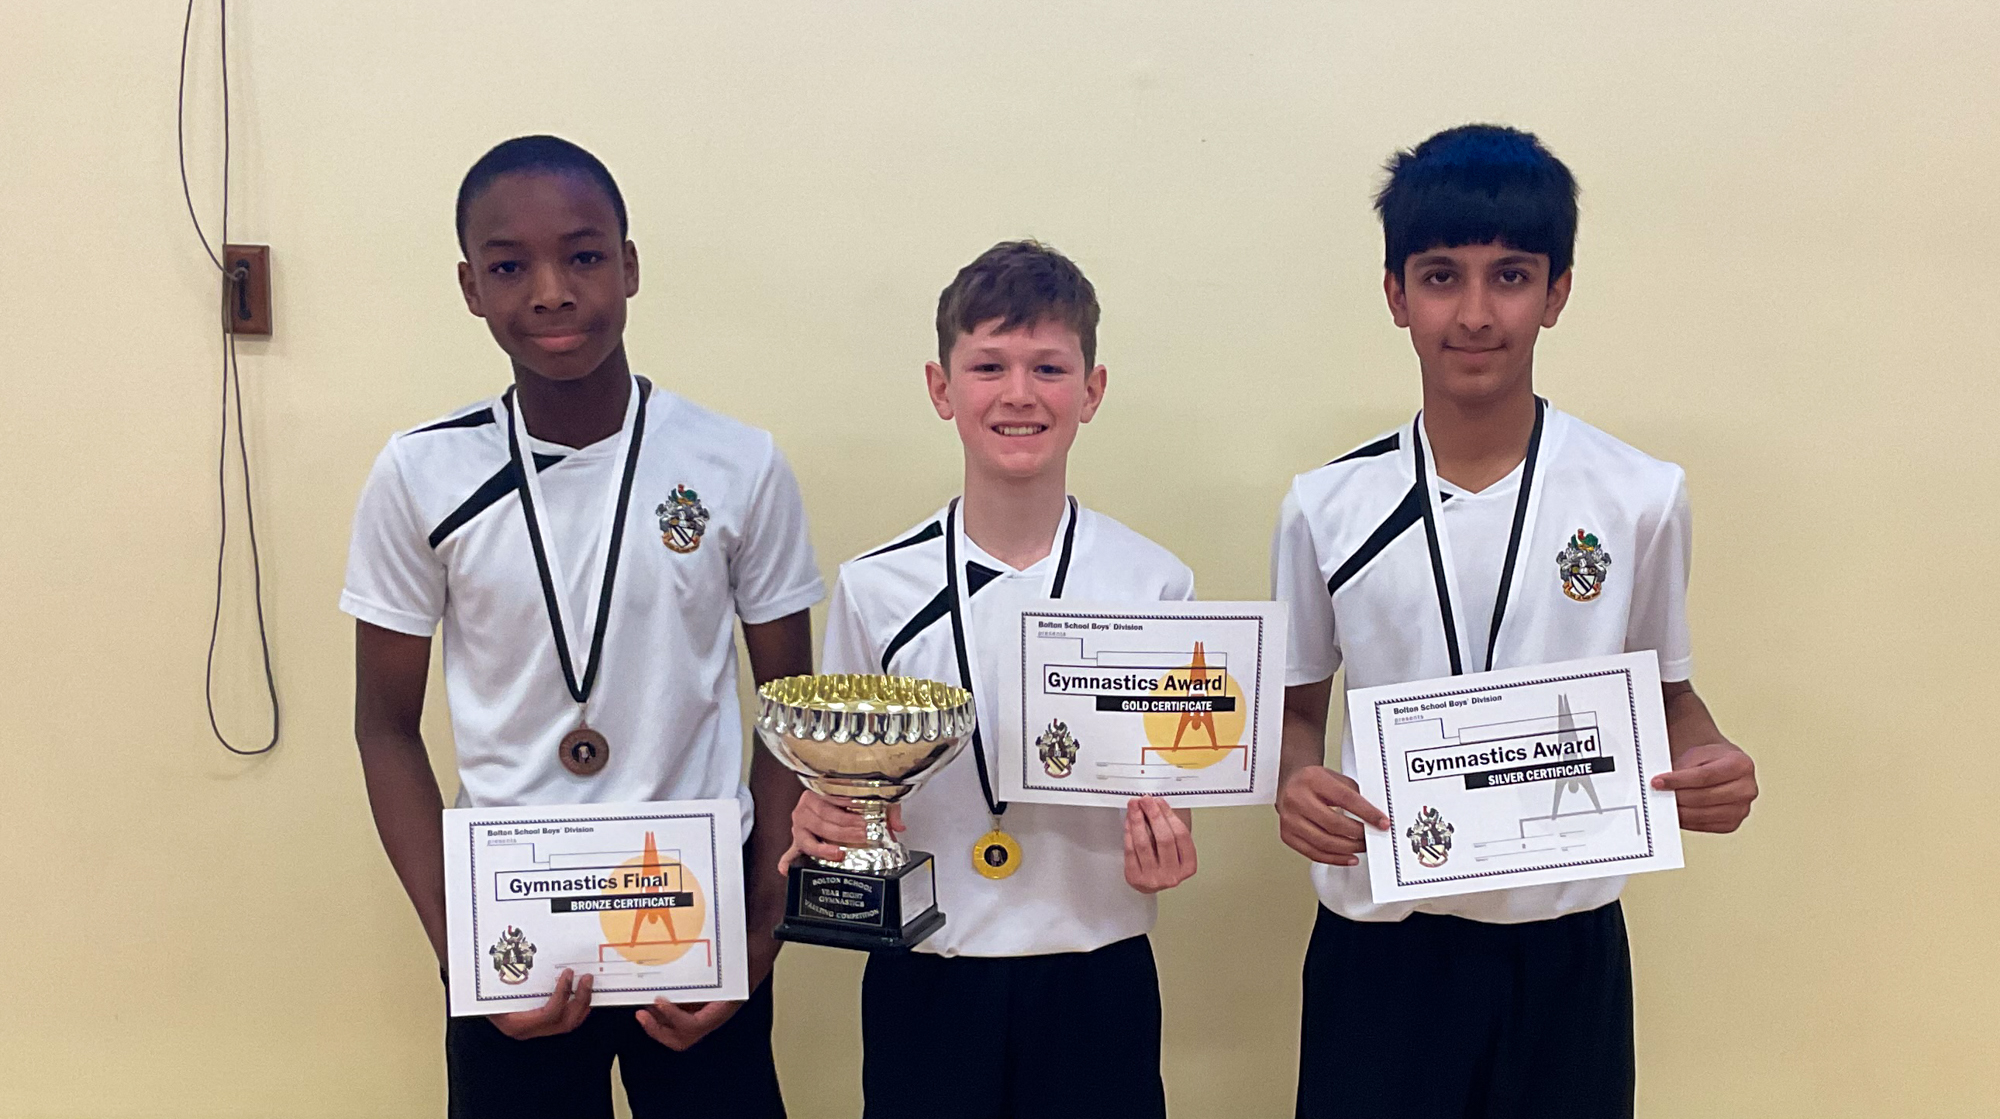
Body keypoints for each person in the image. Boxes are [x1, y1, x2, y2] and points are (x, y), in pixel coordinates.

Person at [1272, 125, 1760, 1119]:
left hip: (1562, 953)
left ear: (1556, 292)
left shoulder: (1638, 496)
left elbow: (1667, 695)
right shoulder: (1323, 507)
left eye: (1510, 276)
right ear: (1395, 293)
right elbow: (1293, 710)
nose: (1475, 312)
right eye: (1442, 276)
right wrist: (1293, 783)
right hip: (1383, 949)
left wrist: (1710, 762)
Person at [343, 135, 823, 1118]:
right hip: (514, 919)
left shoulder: (737, 464)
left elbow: (790, 709)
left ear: (629, 265)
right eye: (510, 265)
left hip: (696, 914)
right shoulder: (419, 474)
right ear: (471, 287)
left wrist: (761, 931)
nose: (551, 291)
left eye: (584, 254)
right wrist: (466, 951)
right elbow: (382, 725)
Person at [783, 240, 1198, 1119]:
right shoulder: (875, 585)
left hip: (1096, 978)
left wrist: (1167, 841)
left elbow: (1171, 782)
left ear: (1091, 390)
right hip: (927, 978)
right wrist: (830, 818)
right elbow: (845, 789)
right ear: (942, 388)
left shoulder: (1155, 585)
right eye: (989, 366)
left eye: (1049, 366)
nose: (1019, 393)